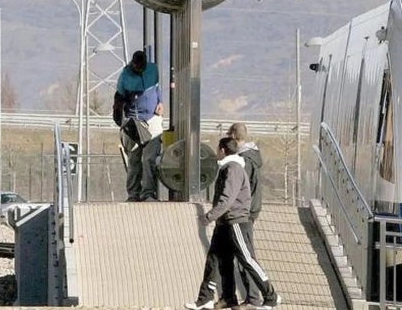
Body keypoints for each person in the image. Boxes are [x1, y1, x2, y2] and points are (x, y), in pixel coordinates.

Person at [185, 137, 281, 310]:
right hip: (225, 223)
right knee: (216, 260)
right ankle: (211, 298)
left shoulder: (233, 169)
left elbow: (227, 199)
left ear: (222, 150)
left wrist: (209, 216)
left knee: (247, 259)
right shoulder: (229, 168)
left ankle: (271, 296)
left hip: (235, 221)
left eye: (217, 149)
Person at [113, 50, 163, 202]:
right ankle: (133, 194)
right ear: (132, 64)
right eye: (137, 67)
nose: (140, 69)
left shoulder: (153, 70)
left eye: (142, 66)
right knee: (134, 159)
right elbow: (118, 99)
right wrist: (120, 121)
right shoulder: (125, 76)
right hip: (133, 122)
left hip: (152, 120)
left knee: (149, 159)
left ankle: (148, 193)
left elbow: (157, 87)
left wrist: (160, 101)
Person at [227, 123, 263, 308]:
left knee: (245, 255)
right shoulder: (252, 157)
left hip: (244, 213)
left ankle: (255, 297)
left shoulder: (243, 161)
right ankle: (251, 296)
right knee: (243, 252)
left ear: (233, 136)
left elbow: (240, 188)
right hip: (249, 211)